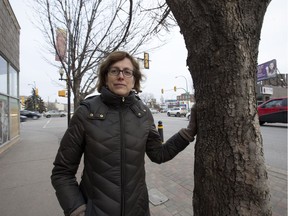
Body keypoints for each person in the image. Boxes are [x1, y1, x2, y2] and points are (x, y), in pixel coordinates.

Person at [51, 51, 197, 216]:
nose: (121, 76)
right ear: (105, 77)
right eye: (115, 71)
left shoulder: (142, 113)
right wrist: (77, 209)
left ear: (134, 80)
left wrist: (188, 132)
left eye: (127, 72)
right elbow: (62, 171)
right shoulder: (86, 113)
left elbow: (159, 154)